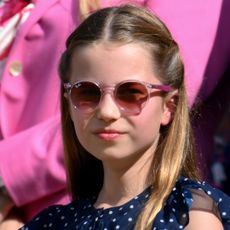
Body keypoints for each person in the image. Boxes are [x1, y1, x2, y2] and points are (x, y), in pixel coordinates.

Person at [20, 4, 230, 230]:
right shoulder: (51, 223)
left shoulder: (187, 216)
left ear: (169, 107)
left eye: (131, 93)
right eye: (87, 93)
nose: (107, 112)